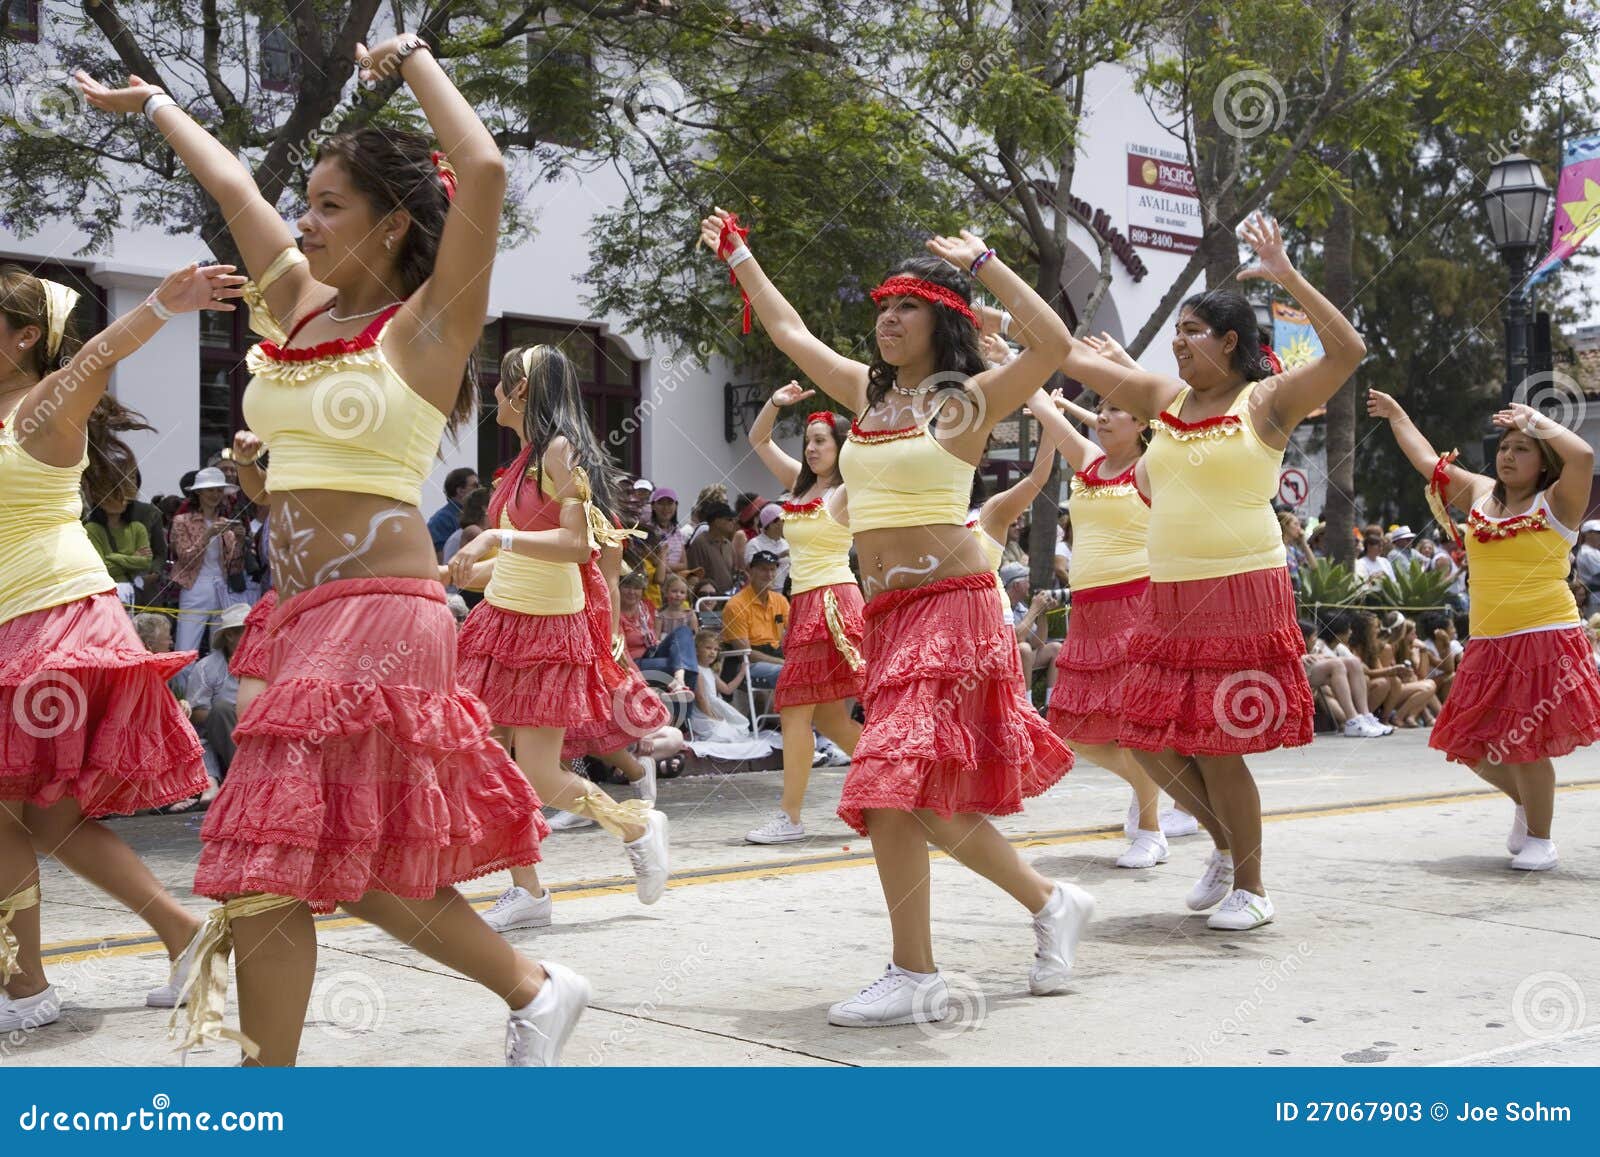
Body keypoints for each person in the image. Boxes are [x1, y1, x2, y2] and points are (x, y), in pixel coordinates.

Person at [78, 38, 588, 1068]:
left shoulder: (426, 327)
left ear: (392, 223)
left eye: (327, 205)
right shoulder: (299, 310)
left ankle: (271, 1091)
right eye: (303, 202)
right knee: (318, 855)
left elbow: (482, 171)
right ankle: (534, 985)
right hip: (300, 610)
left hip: (383, 612)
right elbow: (230, 184)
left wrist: (413, 63)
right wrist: (158, 106)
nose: (303, 220)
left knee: (272, 847)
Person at [703, 207, 1090, 1025]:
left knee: (889, 784)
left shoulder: (967, 400)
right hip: (888, 618)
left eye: (906, 305)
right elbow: (787, 327)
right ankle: (1047, 902)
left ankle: (919, 967)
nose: (887, 317)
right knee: (908, 792)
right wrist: (740, 253)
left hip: (954, 610)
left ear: (942, 320)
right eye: (882, 305)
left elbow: (1055, 345)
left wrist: (984, 262)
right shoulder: (863, 394)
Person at [1061, 211, 1367, 930]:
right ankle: (1227, 849)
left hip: (1240, 589)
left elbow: (1348, 350)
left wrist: (1287, 273)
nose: (1180, 343)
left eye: (1194, 332)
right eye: (1177, 334)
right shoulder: (1163, 403)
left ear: (1232, 342)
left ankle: (1252, 887)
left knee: (1218, 744)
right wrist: (999, 298)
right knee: (1145, 734)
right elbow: (1069, 359)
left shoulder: (1265, 401)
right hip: (1167, 594)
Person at [0, 260, 239, 1034]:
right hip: (16, 623)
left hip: (49, 618)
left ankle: (23, 989)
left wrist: (165, 305)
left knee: (16, 815)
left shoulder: (42, 410)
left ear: (25, 337)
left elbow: (95, 357)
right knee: (52, 819)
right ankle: (184, 931)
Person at [449, 344, 669, 932]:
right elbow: (527, 554)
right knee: (479, 753)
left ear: (522, 390)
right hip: (502, 620)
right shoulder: (524, 460)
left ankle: (635, 826)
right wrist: (474, 571)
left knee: (540, 772)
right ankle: (528, 889)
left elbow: (576, 547)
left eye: (501, 383)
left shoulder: (560, 451)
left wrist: (493, 543)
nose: (493, 393)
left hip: (546, 630)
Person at [1369, 389, 1600, 870]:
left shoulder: (1559, 501)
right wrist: (1397, 414)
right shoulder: (1478, 493)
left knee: (1527, 743)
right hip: (1489, 642)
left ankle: (1541, 837)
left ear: (1542, 463)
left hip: (1545, 637)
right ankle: (1526, 804)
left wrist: (1534, 419)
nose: (1508, 455)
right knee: (1468, 743)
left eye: (1522, 449)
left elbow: (1582, 454)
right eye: (1504, 447)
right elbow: (1427, 460)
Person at [1026, 375, 1206, 867]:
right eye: (1100, 409)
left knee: (1134, 728)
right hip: (1087, 613)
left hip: (1136, 608)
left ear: (1141, 423)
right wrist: (1011, 358)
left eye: (1115, 410)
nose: (1102, 416)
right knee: (1076, 729)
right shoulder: (1088, 462)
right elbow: (1044, 408)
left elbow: (1180, 420)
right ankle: (1155, 786)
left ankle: (1150, 832)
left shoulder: (1150, 469)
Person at [743, 386, 865, 843]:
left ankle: (790, 817)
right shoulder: (800, 483)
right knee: (831, 721)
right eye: (809, 440)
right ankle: (904, 789)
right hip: (807, 605)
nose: (812, 448)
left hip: (834, 603)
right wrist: (774, 404)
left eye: (822, 440)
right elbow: (759, 440)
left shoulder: (848, 489)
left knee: (794, 712)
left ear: (841, 447)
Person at [168, 466, 248, 653]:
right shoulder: (182, 521)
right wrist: (208, 535)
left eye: (219, 490)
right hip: (194, 586)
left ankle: (215, 682)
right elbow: (185, 557)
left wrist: (240, 541)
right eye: (210, 490)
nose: (215, 494)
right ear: (199, 493)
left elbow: (234, 566)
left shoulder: (225, 523)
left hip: (220, 585)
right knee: (186, 646)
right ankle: (182, 682)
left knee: (220, 646)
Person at [184, 600, 249, 790]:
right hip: (224, 733)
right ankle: (245, 776)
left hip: (258, 728)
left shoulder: (268, 660)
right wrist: (236, 714)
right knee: (222, 708)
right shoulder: (206, 667)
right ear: (230, 635)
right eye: (248, 631)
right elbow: (195, 712)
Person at [84, 473, 157, 604]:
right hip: (103, 592)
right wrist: (133, 558)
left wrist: (113, 557)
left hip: (132, 592)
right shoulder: (92, 529)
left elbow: (146, 562)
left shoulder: (137, 528)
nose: (122, 501)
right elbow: (100, 568)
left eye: (124, 497)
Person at [721, 550, 789, 691]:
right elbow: (746, 653)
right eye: (763, 569)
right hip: (748, 664)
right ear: (750, 571)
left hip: (778, 656)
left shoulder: (780, 600)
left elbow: (795, 636)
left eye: (772, 569)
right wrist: (785, 663)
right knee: (793, 673)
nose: (769, 575)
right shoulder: (736, 605)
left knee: (819, 669)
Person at [686, 499, 741, 594]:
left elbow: (733, 572)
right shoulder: (699, 543)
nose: (733, 522)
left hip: (727, 599)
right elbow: (694, 576)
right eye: (729, 519)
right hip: (708, 600)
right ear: (717, 521)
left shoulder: (728, 544)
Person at [427, 465, 480, 558]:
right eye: (475, 486)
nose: (480, 489)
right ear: (460, 491)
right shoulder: (441, 520)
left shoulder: (474, 514)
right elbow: (441, 560)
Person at [745, 502, 791, 591]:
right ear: (772, 524)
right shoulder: (754, 544)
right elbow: (751, 567)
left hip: (786, 594)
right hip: (764, 593)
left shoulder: (786, 543)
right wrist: (780, 555)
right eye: (783, 521)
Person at [1354, 523, 1396, 590]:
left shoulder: (1385, 561)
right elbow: (1360, 586)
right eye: (1378, 546)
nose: (1380, 549)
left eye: (1382, 546)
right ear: (1369, 546)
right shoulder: (1360, 563)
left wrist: (1385, 577)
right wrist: (1373, 579)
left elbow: (1393, 581)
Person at [1574, 520, 1600, 592]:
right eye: (1597, 533)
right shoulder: (1588, 552)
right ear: (1587, 534)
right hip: (1596, 594)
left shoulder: (1593, 551)